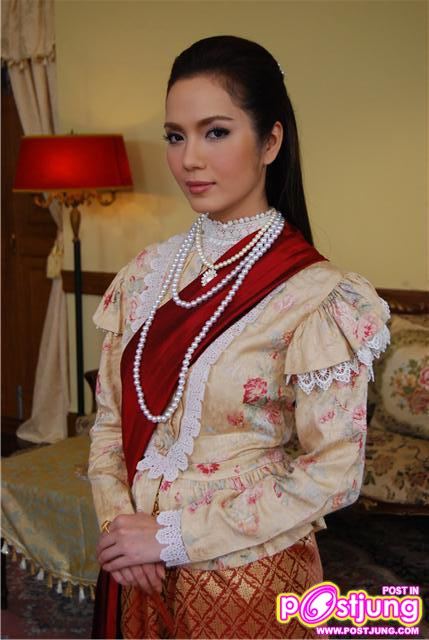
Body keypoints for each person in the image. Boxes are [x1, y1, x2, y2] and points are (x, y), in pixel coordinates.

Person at [88, 34, 391, 639]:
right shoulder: (144, 276)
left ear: (271, 141)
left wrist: (171, 536)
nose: (189, 159)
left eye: (216, 132)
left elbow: (333, 472)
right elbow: (109, 425)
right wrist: (122, 529)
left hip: (251, 584)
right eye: (175, 136)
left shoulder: (318, 295)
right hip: (137, 575)